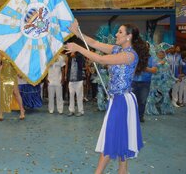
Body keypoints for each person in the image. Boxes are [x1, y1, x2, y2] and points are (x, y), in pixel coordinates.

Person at [66, 19, 148, 174]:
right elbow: (94, 43)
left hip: (122, 100)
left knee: (111, 136)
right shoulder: (117, 49)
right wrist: (77, 32)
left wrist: (78, 47)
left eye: (120, 32)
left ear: (128, 37)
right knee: (120, 138)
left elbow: (101, 59)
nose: (116, 34)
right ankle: (123, 171)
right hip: (117, 100)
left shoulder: (130, 56)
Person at [132, 43, 157, 122]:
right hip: (134, 81)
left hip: (145, 82)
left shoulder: (152, 58)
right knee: (133, 100)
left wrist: (144, 68)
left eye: (146, 47)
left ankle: (140, 116)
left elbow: (154, 70)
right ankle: (132, 117)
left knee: (142, 100)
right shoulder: (135, 57)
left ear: (148, 49)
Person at [0, 56, 25, 121]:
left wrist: (19, 72)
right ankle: (1, 113)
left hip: (12, 75)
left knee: (16, 93)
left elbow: (18, 64)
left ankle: (22, 111)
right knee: (3, 94)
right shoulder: (2, 52)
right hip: (4, 76)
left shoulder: (14, 53)